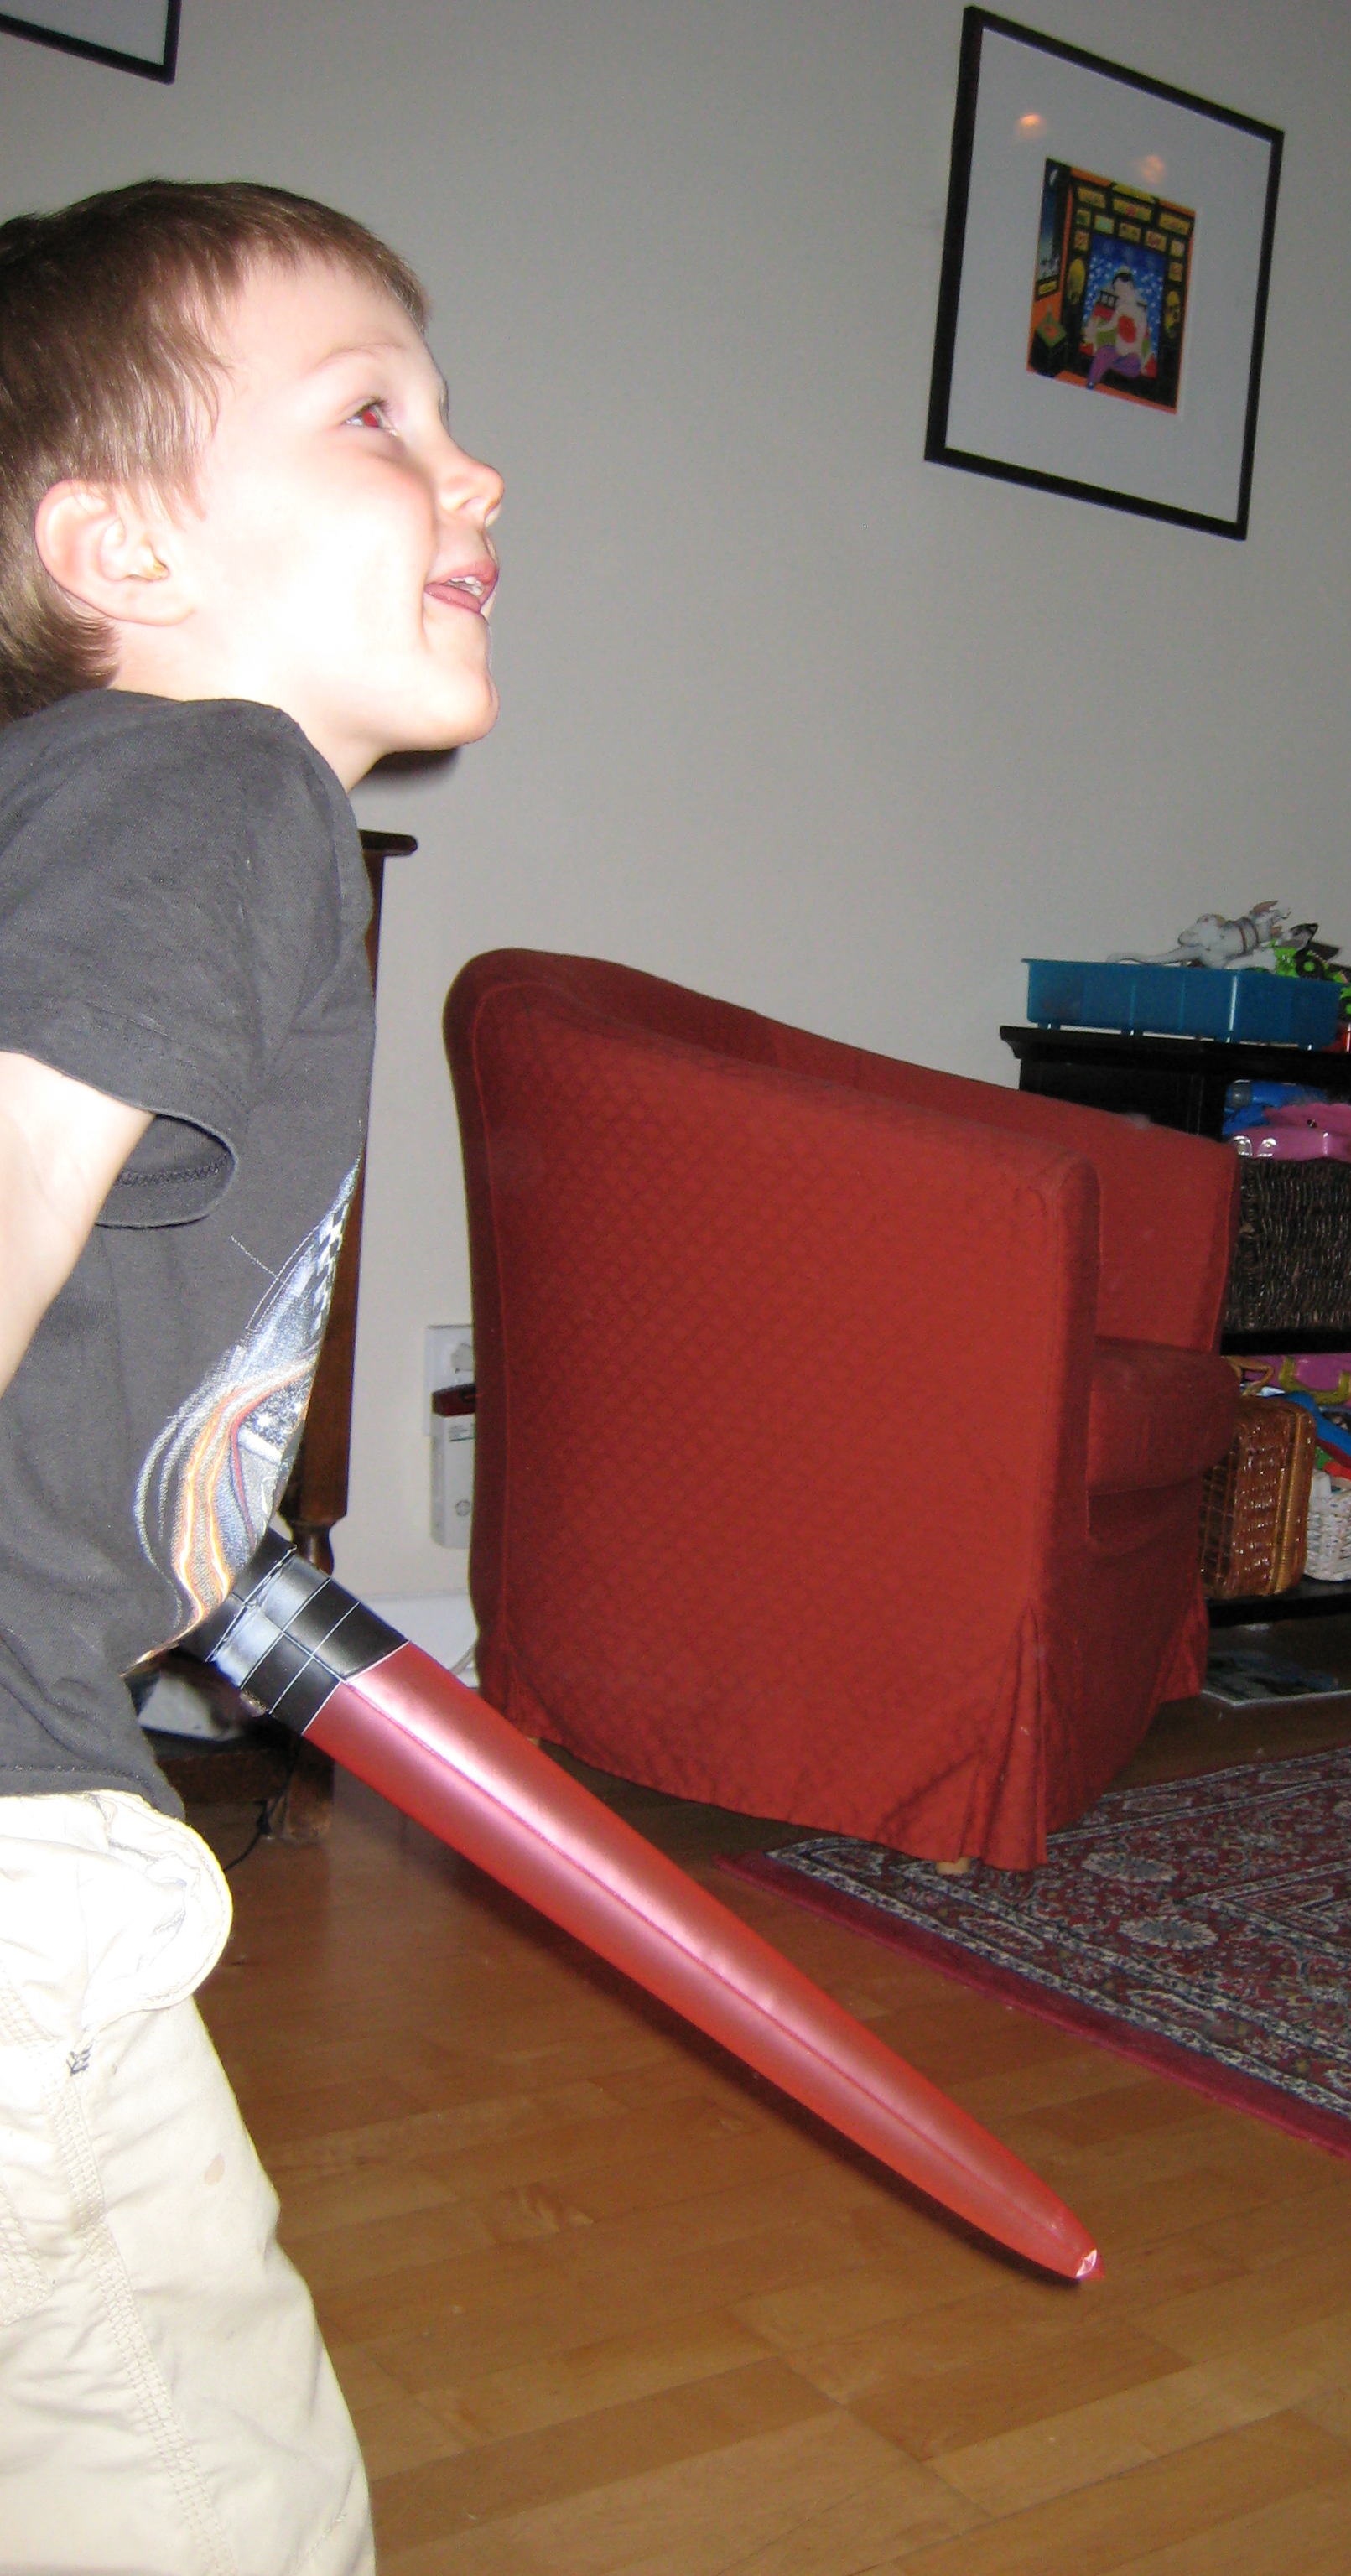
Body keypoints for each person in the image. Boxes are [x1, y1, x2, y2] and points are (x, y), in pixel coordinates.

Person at [0, 179, 501, 2572]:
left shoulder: (109, 813)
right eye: (376, 413)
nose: (478, 471)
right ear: (123, 545)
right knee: (199, 2476)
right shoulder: (217, 782)